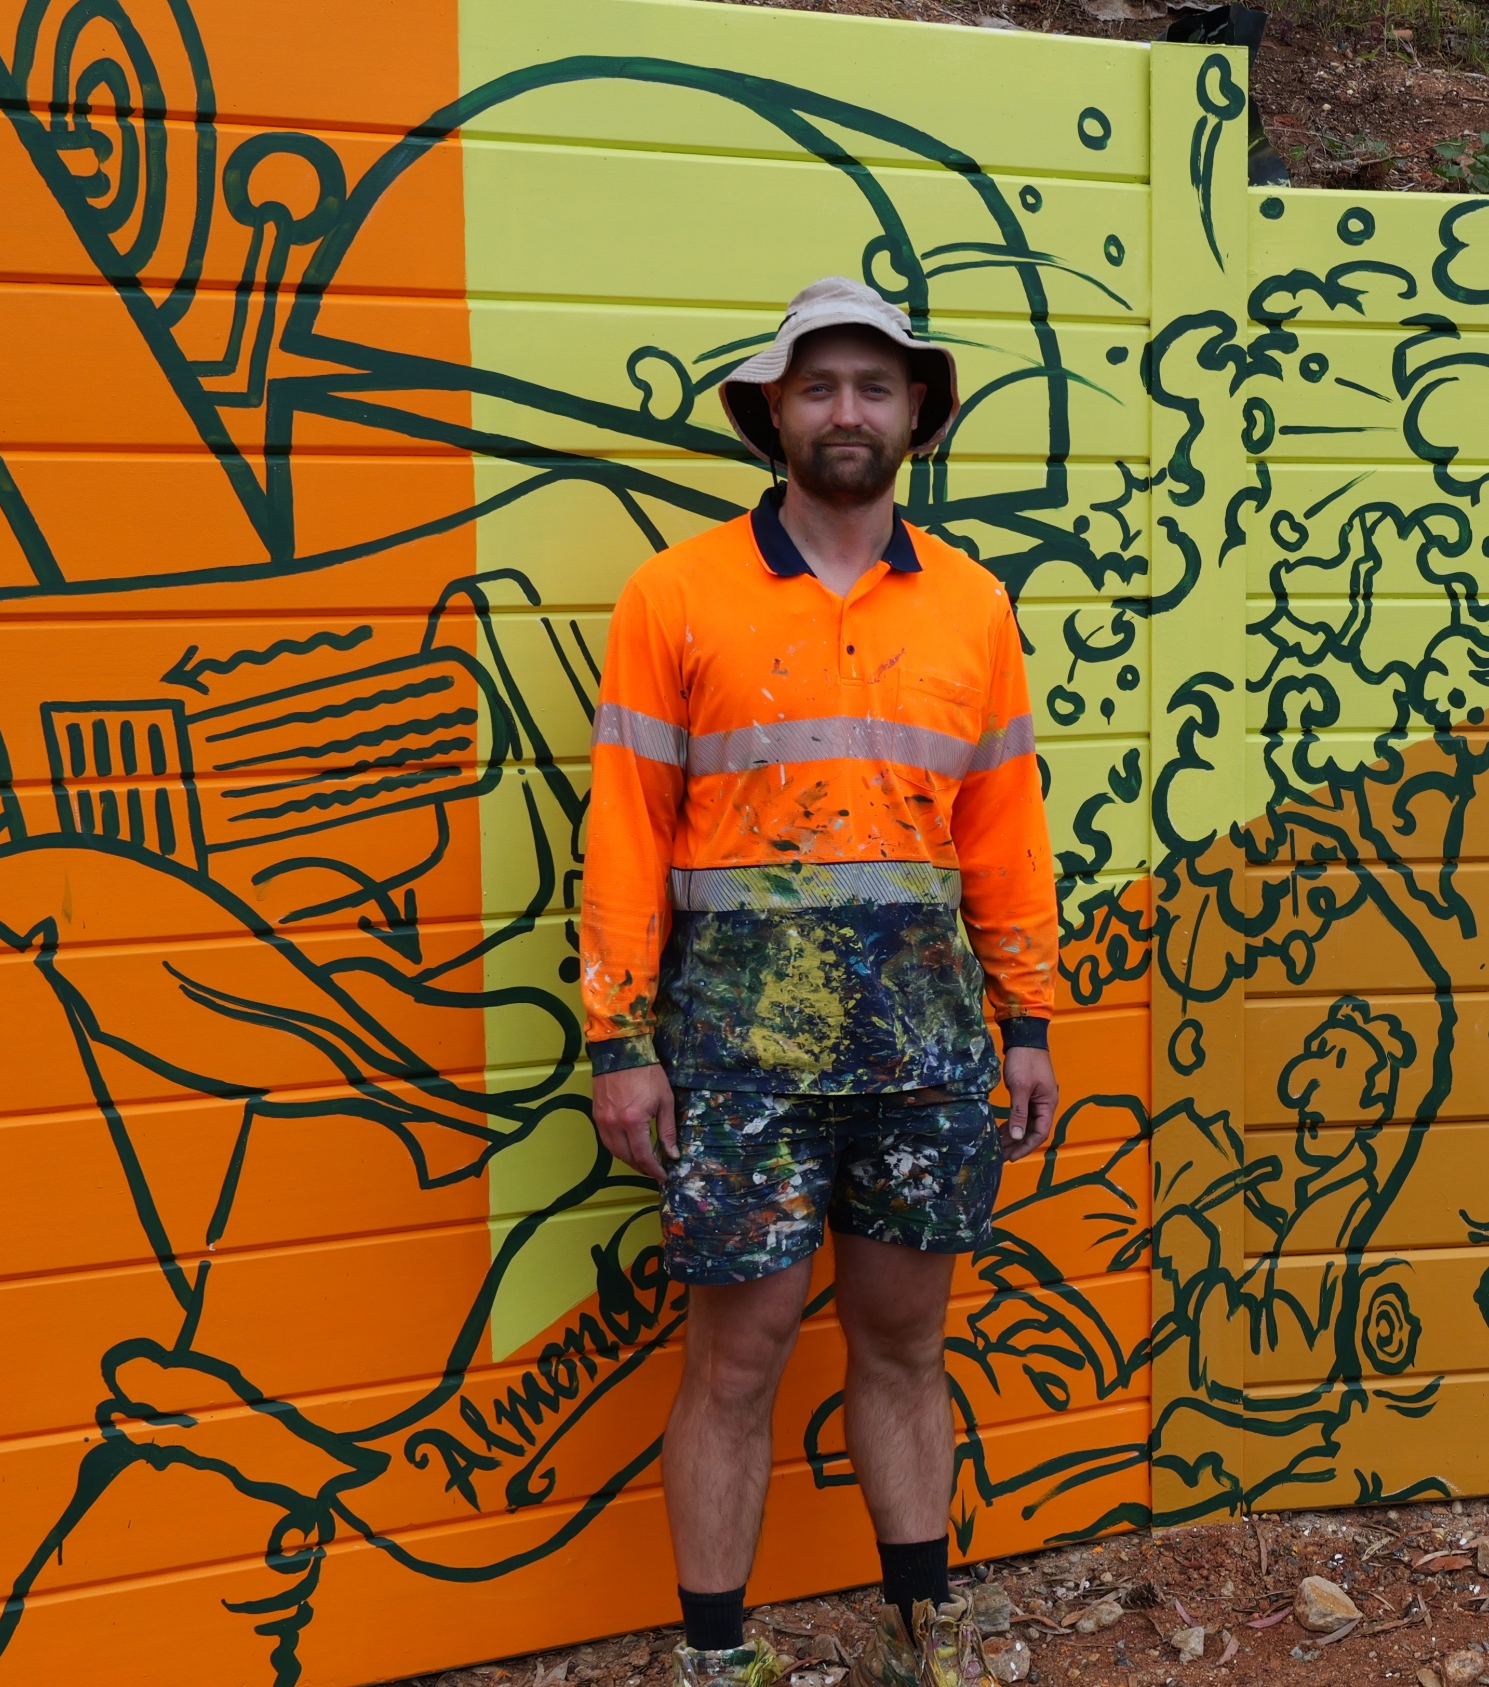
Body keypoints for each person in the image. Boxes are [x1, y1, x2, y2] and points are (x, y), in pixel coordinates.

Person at [583, 275, 1062, 1687]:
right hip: (737, 1057)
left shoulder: (973, 606)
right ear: (775, 414)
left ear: (915, 413)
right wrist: (618, 1037)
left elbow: (1005, 832)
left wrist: (1027, 1022)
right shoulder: (675, 593)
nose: (847, 410)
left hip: (928, 1050)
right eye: (819, 386)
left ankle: (928, 1634)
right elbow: (625, 826)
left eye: (874, 386)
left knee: (906, 1348)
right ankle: (716, 1661)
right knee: (736, 1363)